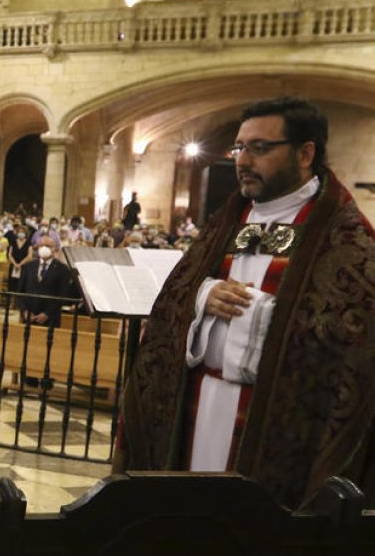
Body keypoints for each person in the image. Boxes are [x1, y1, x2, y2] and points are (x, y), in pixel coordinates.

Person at [115, 97, 375, 510]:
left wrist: (267, 316)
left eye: (260, 148)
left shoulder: (346, 239)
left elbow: (355, 344)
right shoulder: (227, 221)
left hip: (278, 426)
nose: (242, 160)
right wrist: (201, 298)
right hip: (197, 411)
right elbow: (173, 299)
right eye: (239, 148)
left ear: (305, 153)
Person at [17, 236, 69, 326]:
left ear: (55, 249)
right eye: (41, 246)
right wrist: (24, 311)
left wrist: (47, 314)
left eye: (48, 246)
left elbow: (63, 295)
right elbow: (20, 291)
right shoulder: (28, 266)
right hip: (29, 316)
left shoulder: (62, 269)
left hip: (50, 319)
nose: (44, 248)